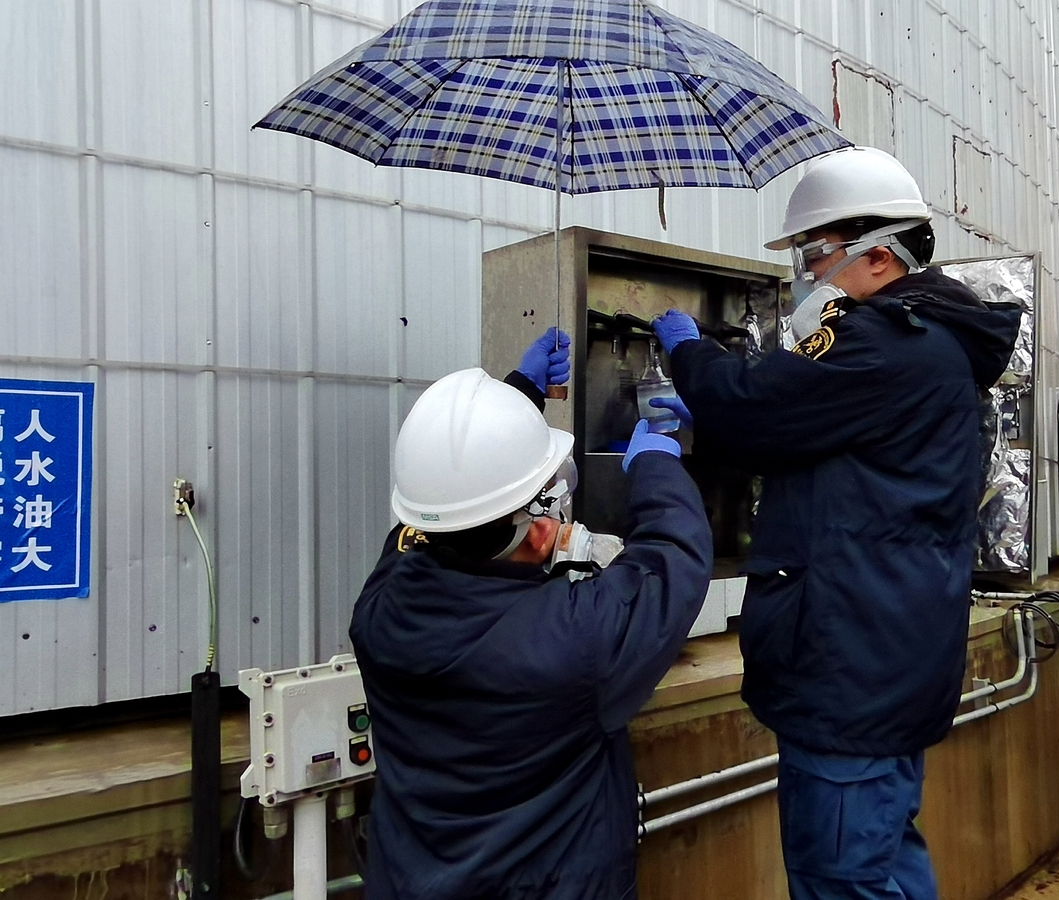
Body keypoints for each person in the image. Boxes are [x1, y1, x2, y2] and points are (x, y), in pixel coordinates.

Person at [651, 147, 1022, 900]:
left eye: (814, 256)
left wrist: (689, 354)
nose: (807, 277)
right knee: (883, 864)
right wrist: (717, 423)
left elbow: (756, 407)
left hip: (850, 673)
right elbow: (798, 435)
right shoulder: (930, 341)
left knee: (841, 878)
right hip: (884, 659)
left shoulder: (887, 341)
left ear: (878, 256)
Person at [349, 327, 714, 900]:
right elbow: (673, 559)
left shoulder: (381, 604)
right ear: (542, 531)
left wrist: (517, 396)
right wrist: (656, 464)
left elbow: (445, 500)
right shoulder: (574, 641)